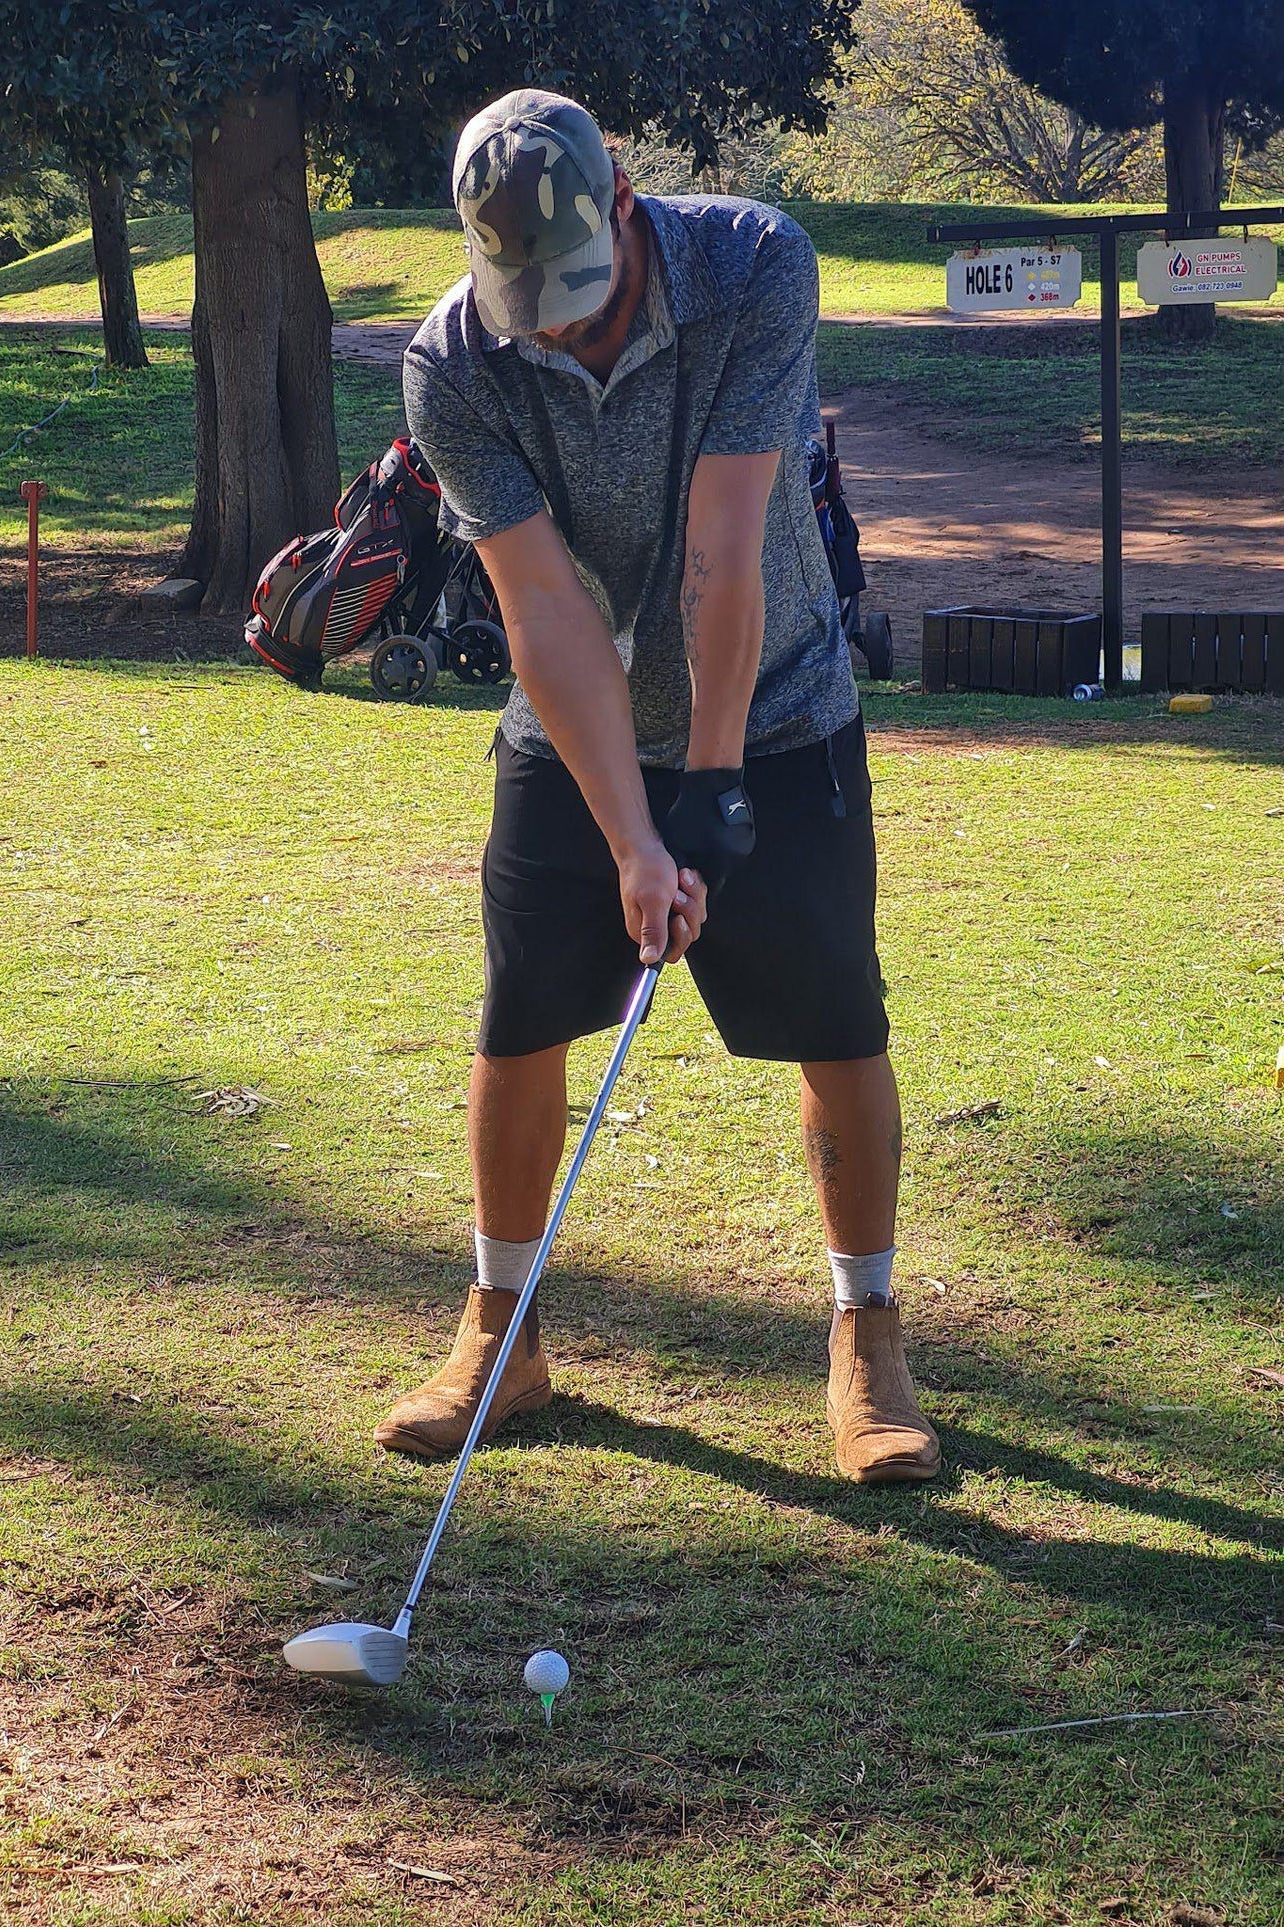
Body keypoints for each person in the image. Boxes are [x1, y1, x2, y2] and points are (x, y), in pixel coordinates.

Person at [379, 88, 939, 1485]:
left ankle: (866, 1332)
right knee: (517, 1031)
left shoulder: (754, 266)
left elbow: (724, 547)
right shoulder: (453, 362)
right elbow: (544, 609)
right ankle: (501, 1339)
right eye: (532, 304)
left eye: (577, 291)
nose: (559, 328)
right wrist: (632, 832)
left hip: (780, 701)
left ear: (624, 202)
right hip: (567, 727)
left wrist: (705, 788)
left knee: (833, 1023)